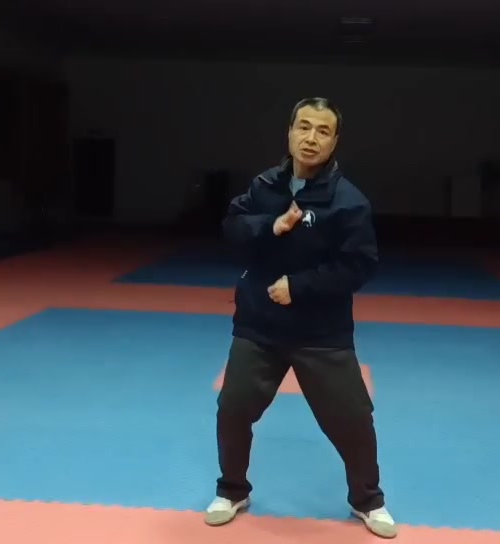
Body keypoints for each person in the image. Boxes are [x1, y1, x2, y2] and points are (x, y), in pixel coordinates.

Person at [204, 97, 397, 539]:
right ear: (289, 133)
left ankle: (368, 500)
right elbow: (232, 228)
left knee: (353, 418)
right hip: (259, 324)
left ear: (334, 141)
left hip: (321, 332)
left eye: (322, 131)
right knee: (233, 408)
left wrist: (300, 285)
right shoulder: (263, 187)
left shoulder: (348, 202)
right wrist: (269, 226)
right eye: (303, 127)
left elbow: (359, 265)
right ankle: (232, 490)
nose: (311, 138)